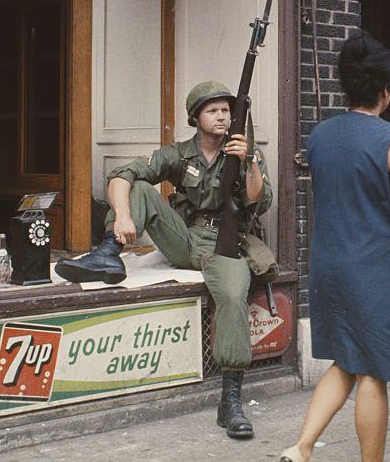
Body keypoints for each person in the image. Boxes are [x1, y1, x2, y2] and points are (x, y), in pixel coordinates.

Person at [54, 81, 277, 439]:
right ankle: (109, 254)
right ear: (196, 117)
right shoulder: (179, 153)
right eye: (213, 110)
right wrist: (124, 219)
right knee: (139, 187)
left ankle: (230, 399)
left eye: (226, 110)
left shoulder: (244, 150)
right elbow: (121, 176)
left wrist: (247, 161)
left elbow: (259, 201)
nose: (222, 116)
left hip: (225, 242)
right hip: (184, 237)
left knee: (234, 296)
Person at [279, 33, 390, 462]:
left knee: (346, 361)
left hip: (327, 263)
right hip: (371, 269)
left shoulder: (320, 136)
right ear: (385, 91)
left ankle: (302, 446)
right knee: (373, 372)